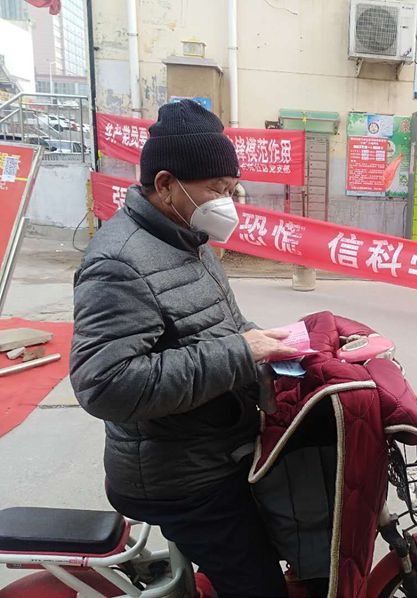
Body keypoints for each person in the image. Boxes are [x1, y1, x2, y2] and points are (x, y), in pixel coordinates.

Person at [70, 100, 297, 598]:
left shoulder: (188, 240)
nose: (228, 201)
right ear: (166, 183)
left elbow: (226, 327)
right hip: (178, 475)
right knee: (259, 586)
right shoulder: (119, 262)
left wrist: (282, 347)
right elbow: (104, 384)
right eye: (217, 188)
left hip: (214, 448)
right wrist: (240, 353)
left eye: (232, 189)